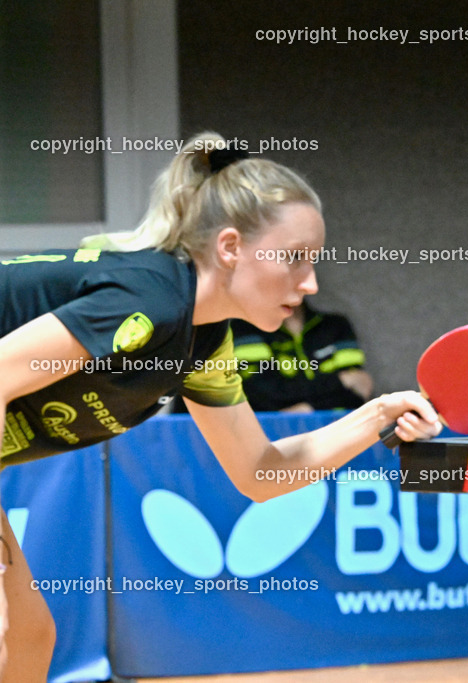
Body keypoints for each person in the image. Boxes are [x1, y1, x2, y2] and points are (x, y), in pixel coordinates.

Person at [0, 133, 441, 680]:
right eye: (295, 260)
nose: (311, 283)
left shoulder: (201, 341)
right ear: (230, 247)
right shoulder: (150, 298)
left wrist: (378, 415)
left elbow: (260, 472)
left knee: (26, 637)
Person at [232, 301, 374, 412]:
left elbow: (358, 392)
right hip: (276, 434)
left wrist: (306, 409)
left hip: (342, 431)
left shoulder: (335, 326)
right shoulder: (243, 329)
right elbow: (264, 397)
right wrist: (340, 381)